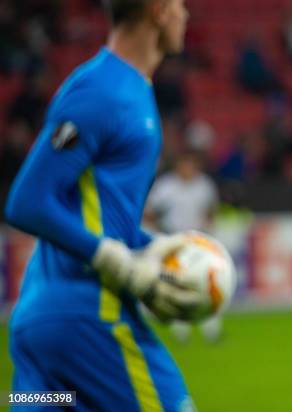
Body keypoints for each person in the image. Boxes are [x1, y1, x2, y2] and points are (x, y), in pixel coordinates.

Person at [4, 1, 200, 410]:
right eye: (180, 4)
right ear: (158, 10)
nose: (186, 13)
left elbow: (100, 214)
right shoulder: (104, 91)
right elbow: (27, 201)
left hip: (40, 327)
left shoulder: (127, 89)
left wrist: (153, 248)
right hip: (90, 317)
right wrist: (116, 261)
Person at [146, 150, 223, 342]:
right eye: (184, 164)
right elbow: (150, 213)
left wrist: (208, 230)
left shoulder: (204, 185)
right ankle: (181, 332)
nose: (188, 169)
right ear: (178, 166)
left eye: (191, 165)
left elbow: (211, 209)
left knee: (207, 284)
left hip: (199, 242)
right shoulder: (166, 186)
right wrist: (161, 235)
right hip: (175, 242)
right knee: (177, 287)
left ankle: (211, 331)